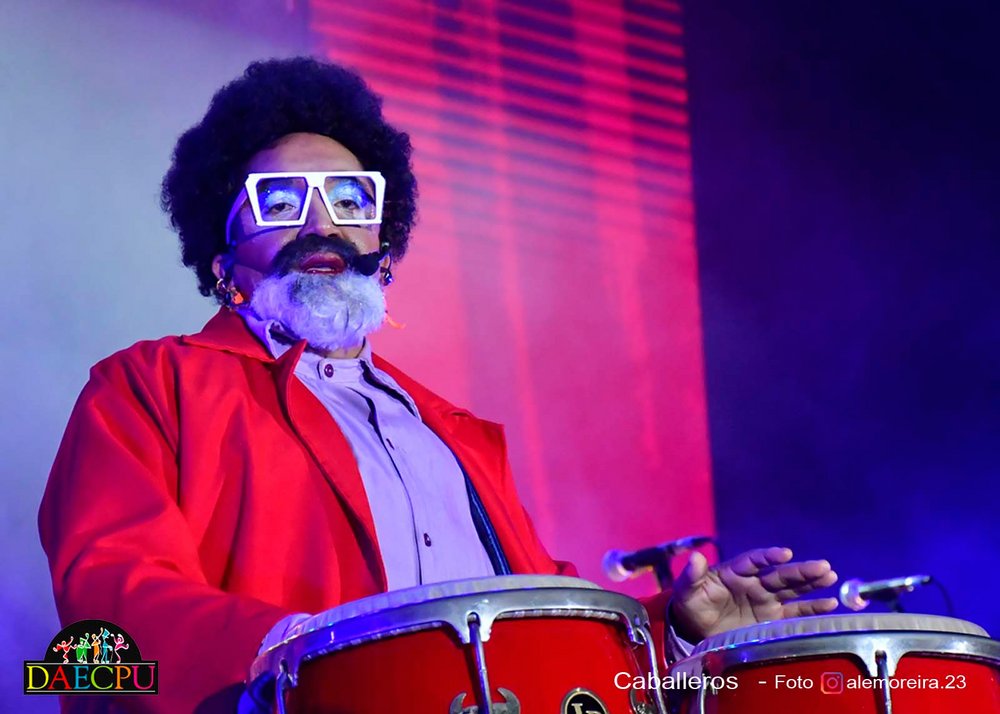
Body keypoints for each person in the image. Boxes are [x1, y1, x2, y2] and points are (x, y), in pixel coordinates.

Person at [39, 57, 838, 713]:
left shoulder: (452, 432)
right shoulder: (147, 388)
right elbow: (112, 606)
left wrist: (674, 632)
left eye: (351, 200)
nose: (321, 224)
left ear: (383, 243)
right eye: (280, 202)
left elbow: (543, 622)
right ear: (223, 260)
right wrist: (321, 663)